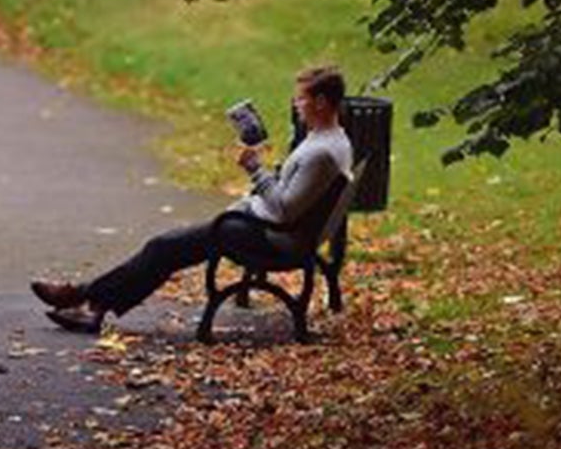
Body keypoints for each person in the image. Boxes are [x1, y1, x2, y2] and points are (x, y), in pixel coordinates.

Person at [31, 65, 354, 333]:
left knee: (163, 247)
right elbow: (291, 197)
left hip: (271, 237)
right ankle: (92, 303)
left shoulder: (321, 152)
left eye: (301, 99)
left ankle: (85, 297)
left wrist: (256, 170)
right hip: (265, 225)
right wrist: (267, 176)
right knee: (167, 247)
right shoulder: (330, 140)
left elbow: (284, 211)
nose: (296, 104)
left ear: (322, 102)